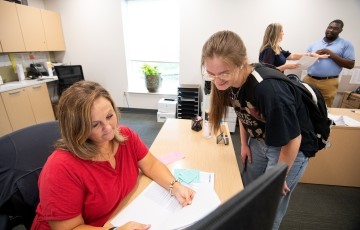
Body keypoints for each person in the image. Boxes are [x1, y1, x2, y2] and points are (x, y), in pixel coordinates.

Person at [31, 81, 195, 230]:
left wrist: (175, 186)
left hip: (116, 215)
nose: (109, 128)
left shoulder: (125, 136)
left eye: (110, 116)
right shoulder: (60, 168)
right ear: (77, 130)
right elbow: (69, 228)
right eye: (95, 125)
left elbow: (151, 165)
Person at [201, 30, 317, 230]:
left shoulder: (268, 89)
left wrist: (278, 175)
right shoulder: (228, 83)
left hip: (289, 148)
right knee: (247, 194)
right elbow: (243, 112)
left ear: (242, 62)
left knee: (267, 207)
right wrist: (245, 144)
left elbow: (294, 139)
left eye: (224, 73)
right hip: (261, 140)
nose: (217, 80)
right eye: (211, 73)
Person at [304, 19, 355, 107]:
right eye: (330, 27)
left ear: (340, 31)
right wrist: (313, 55)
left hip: (329, 82)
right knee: (304, 105)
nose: (331, 30)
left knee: (325, 108)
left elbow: (350, 65)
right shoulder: (314, 44)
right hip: (309, 80)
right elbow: (303, 63)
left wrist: (331, 55)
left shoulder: (346, 44)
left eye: (335, 28)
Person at [259, 23, 328, 72]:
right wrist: (286, 67)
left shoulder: (277, 48)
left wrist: (310, 54)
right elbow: (267, 71)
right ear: (276, 33)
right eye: (282, 31)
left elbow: (292, 56)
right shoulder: (269, 50)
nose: (283, 33)